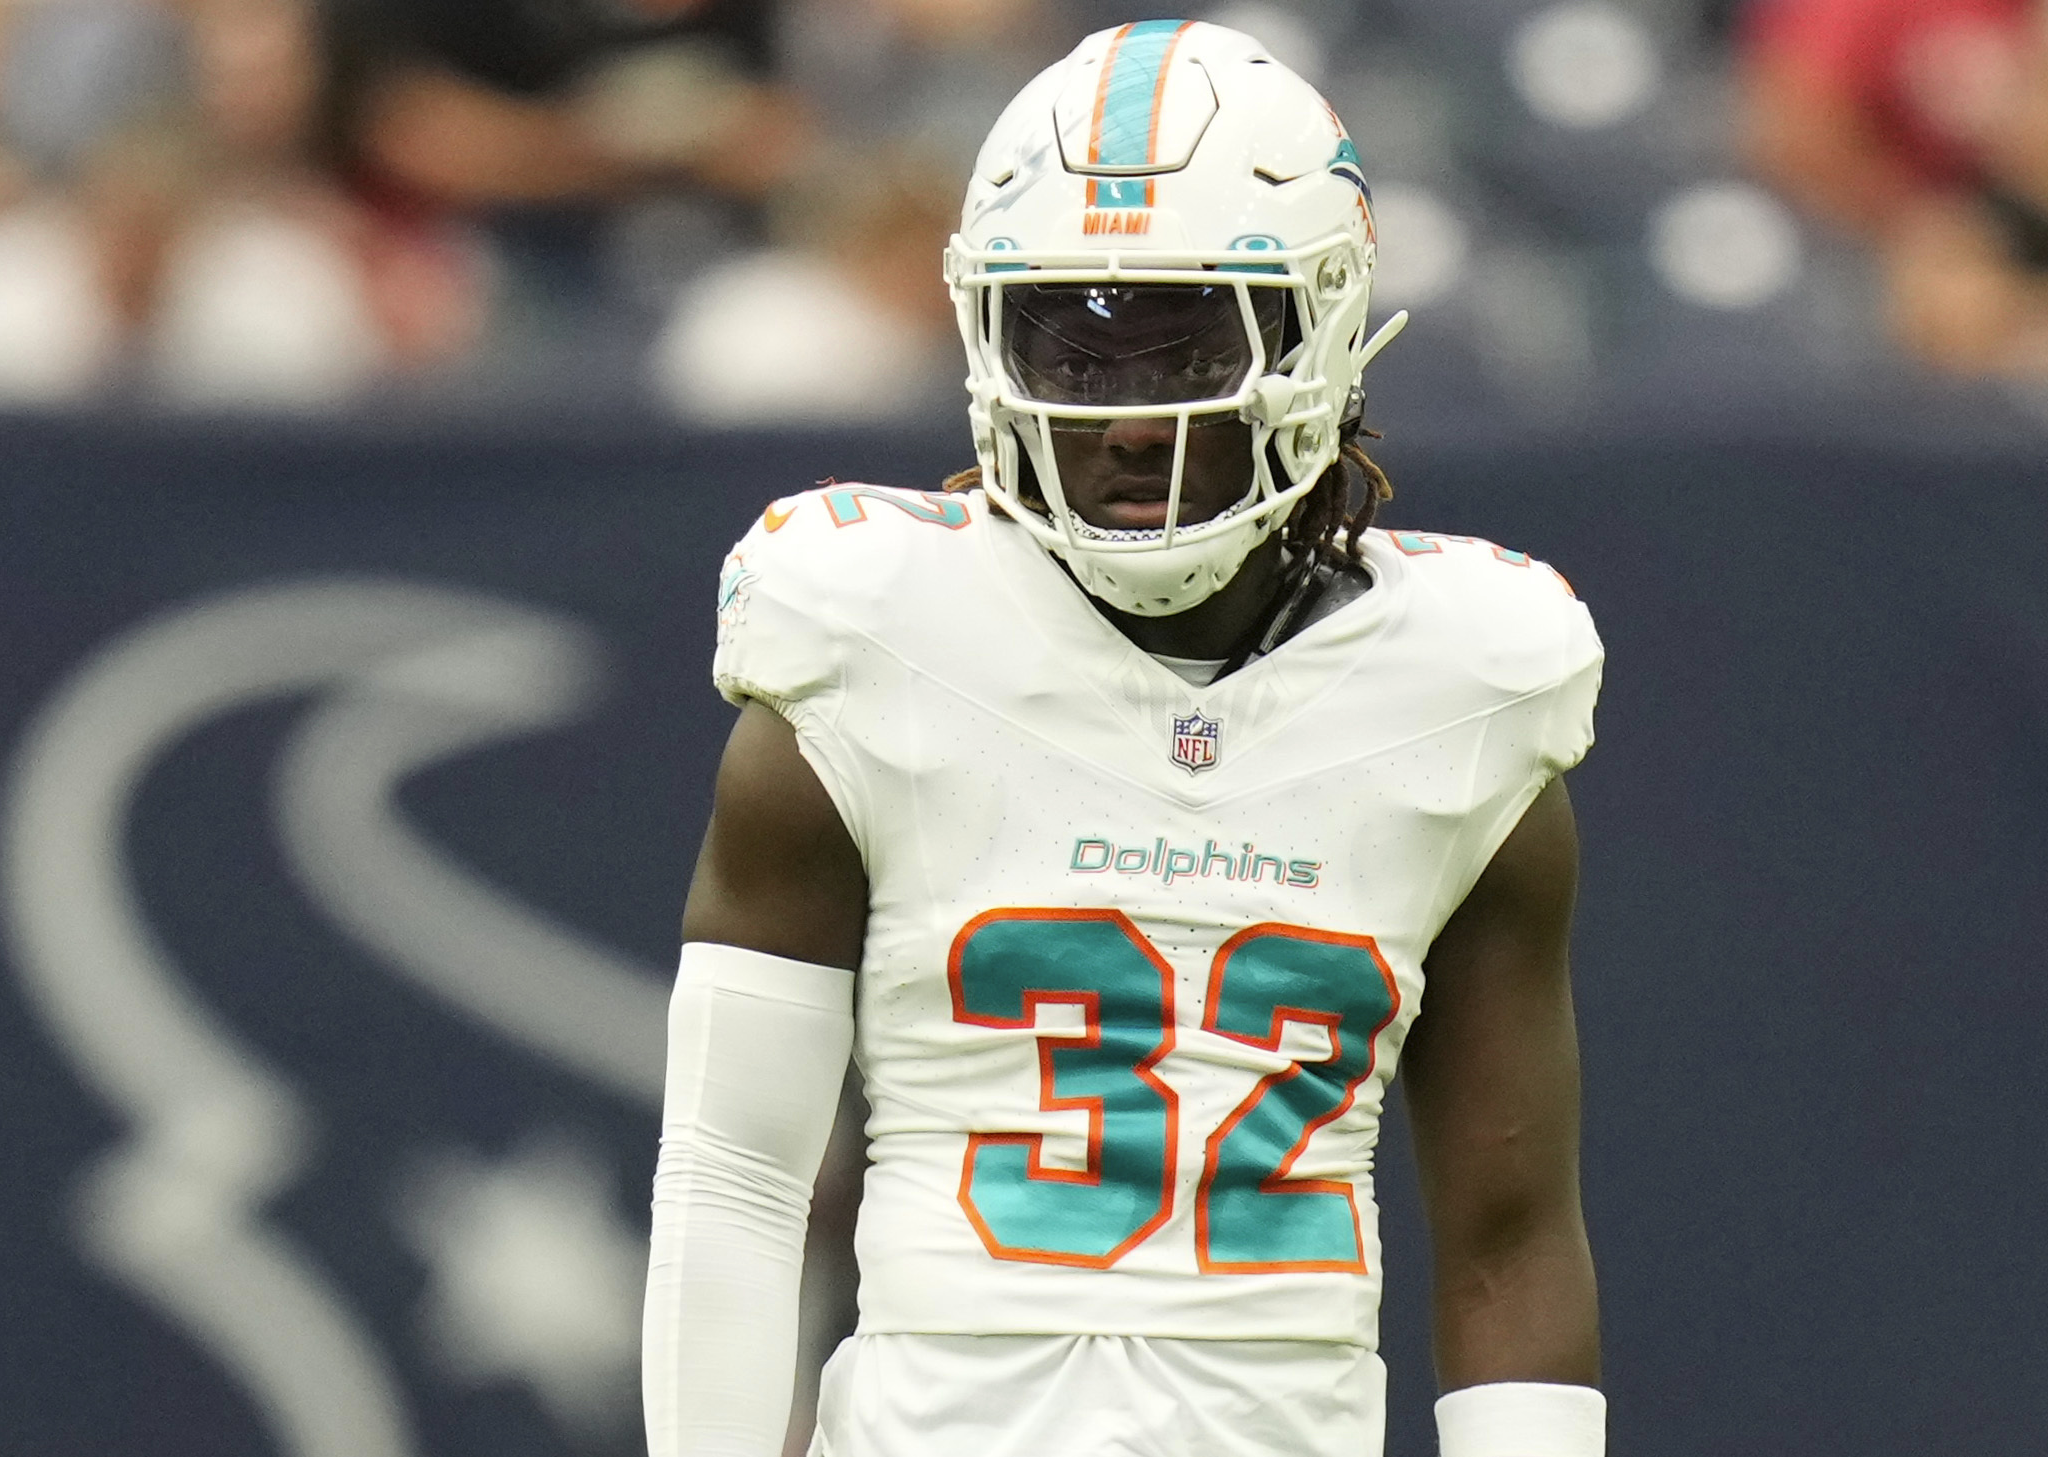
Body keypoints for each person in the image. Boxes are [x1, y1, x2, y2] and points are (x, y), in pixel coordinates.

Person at [642, 19, 1607, 1457]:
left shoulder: (1461, 684)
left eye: (1181, 338)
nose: (1122, 416)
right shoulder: (867, 636)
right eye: (1069, 344)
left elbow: (1507, 1239)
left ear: (1317, 331)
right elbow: (731, 1177)